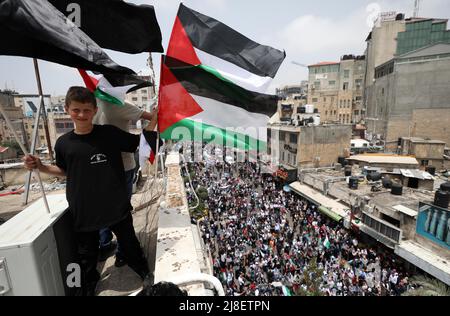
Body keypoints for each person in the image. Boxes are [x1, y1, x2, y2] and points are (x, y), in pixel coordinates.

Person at [24, 87, 153, 296]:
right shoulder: (63, 143)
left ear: (94, 110)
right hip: (83, 209)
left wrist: (154, 118)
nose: (81, 115)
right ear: (67, 109)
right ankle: (86, 286)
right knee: (86, 255)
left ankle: (144, 272)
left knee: (129, 243)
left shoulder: (109, 133)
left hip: (115, 204)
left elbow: (140, 143)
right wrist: (40, 166)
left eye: (86, 110)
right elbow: (65, 171)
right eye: (76, 110)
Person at [94, 98, 158, 267]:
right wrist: (158, 113)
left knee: (103, 209)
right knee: (122, 214)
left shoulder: (92, 102)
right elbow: (149, 117)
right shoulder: (118, 103)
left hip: (98, 165)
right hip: (123, 165)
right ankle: (123, 254)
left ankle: (105, 244)